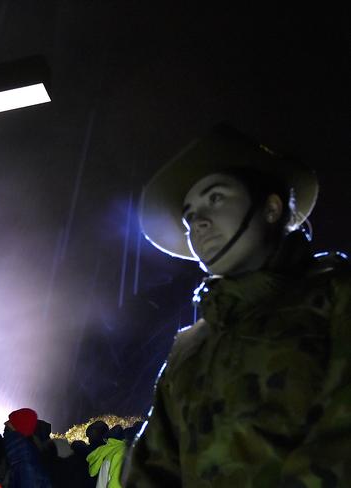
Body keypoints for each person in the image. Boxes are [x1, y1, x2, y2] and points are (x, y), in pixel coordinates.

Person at [123, 124, 351, 487]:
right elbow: (152, 469)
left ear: (272, 208)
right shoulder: (187, 348)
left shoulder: (337, 293)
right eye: (188, 215)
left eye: (215, 198)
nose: (198, 221)